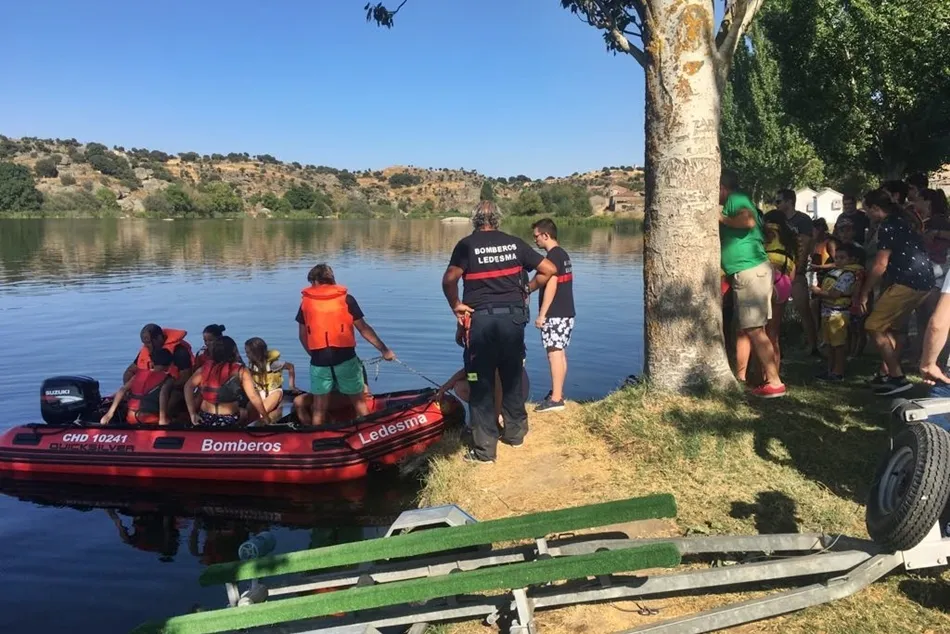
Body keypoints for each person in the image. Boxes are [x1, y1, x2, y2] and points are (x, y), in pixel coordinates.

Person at [442, 200, 556, 463]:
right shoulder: (515, 243)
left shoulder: (467, 245)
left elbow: (449, 279)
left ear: (474, 220)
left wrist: (457, 306)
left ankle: (484, 451)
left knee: (480, 384)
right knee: (512, 376)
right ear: (498, 219)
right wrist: (526, 288)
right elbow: (549, 270)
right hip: (513, 323)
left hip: (480, 323)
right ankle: (515, 435)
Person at [855, 189, 935, 396]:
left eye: (867, 210)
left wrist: (864, 292)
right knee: (893, 329)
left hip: (907, 281)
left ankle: (897, 378)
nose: (867, 215)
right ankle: (886, 374)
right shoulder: (903, 221)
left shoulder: (888, 226)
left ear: (875, 208)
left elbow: (880, 264)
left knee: (873, 325)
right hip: (924, 282)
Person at [294, 263, 395, 426]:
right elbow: (364, 329)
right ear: (331, 279)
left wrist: (314, 355)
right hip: (345, 358)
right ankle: (369, 432)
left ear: (315, 281)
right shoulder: (346, 299)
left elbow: (302, 335)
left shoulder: (306, 303)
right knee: (359, 403)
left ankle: (318, 440)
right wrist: (384, 350)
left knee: (319, 408)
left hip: (319, 361)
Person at [719, 171, 785, 398]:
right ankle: (766, 379)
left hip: (750, 271)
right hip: (748, 272)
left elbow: (747, 221)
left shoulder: (735, 199)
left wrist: (720, 218)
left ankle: (774, 382)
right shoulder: (734, 201)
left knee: (755, 330)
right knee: (755, 329)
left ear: (722, 187)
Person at [530, 218, 575, 412]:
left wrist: (542, 314)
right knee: (560, 352)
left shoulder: (552, 257)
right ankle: (558, 393)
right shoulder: (563, 254)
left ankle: (556, 399)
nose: (535, 240)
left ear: (546, 235)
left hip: (555, 314)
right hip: (567, 313)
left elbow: (552, 285)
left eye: (536, 236)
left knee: (554, 354)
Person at [764, 189, 816, 353]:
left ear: (789, 201)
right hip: (780, 272)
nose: (776, 205)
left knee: (803, 309)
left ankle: (812, 345)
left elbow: (805, 245)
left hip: (795, 270)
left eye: (778, 201)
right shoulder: (776, 221)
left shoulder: (802, 220)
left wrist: (798, 269)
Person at [184, 336, 268, 426]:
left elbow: (188, 387)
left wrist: (192, 413)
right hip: (229, 419)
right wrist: (265, 416)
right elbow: (253, 396)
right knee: (251, 405)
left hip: (205, 417)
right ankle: (248, 429)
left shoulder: (204, 368)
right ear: (233, 351)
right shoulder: (240, 370)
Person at [810, 243, 865, 382]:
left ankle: (838, 371)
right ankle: (830, 369)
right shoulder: (838, 272)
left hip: (838, 314)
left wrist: (818, 291)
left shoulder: (848, 275)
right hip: (828, 312)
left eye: (843, 258)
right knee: (829, 344)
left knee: (838, 345)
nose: (839, 261)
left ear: (853, 259)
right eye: (837, 258)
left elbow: (835, 294)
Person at [123, 324, 195, 417]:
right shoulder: (145, 350)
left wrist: (162, 386)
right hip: (147, 389)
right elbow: (129, 371)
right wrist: (128, 390)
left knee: (171, 401)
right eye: (144, 343)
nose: (146, 346)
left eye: (149, 342)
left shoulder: (179, 351)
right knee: (124, 401)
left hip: (173, 389)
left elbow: (185, 378)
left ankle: (167, 422)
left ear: (159, 338)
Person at [100, 349, 175, 425]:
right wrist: (162, 419)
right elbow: (163, 395)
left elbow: (122, 390)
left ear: (151, 362)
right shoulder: (168, 379)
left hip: (131, 417)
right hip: (150, 418)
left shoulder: (138, 375)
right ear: (170, 364)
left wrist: (109, 414)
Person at [763, 220, 797, 377]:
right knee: (773, 334)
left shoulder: (767, 233)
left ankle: (762, 374)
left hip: (769, 281)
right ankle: (775, 372)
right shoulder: (789, 245)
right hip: (785, 282)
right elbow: (793, 276)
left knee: (759, 333)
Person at [244, 337, 296, 424]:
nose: (246, 355)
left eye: (248, 352)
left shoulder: (273, 364)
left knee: (261, 413)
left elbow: (290, 367)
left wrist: (292, 386)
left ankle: (263, 424)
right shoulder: (252, 366)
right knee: (249, 408)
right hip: (260, 391)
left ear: (256, 353)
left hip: (274, 392)